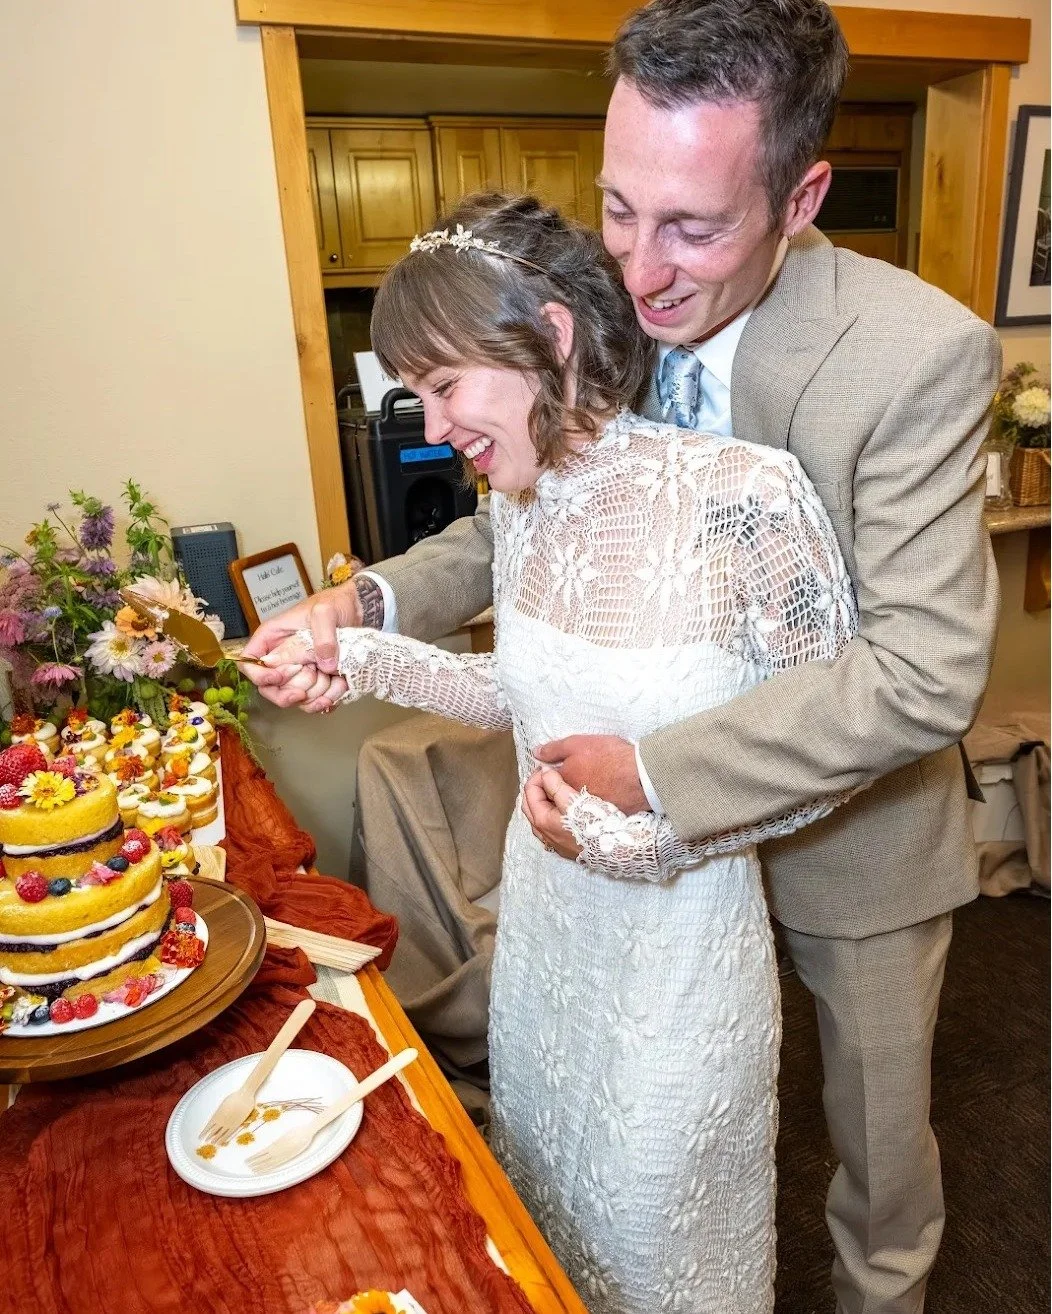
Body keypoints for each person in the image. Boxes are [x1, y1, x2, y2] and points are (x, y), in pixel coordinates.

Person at [246, 2, 1001, 1311]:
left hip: (855, 841)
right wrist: (355, 606)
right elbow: (517, 530)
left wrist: (657, 768)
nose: (643, 273)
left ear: (800, 191)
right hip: (644, 905)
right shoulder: (601, 317)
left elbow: (922, 671)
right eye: (617, 210)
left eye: (693, 227)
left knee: (876, 1176)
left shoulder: (917, 354)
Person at [261, 192, 858, 1312]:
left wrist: (631, 840)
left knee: (651, 1243)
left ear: (549, 334)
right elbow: (532, 704)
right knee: (549, 1220)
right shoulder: (525, 503)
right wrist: (364, 660)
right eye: (417, 393)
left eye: (443, 386)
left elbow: (822, 749)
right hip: (544, 939)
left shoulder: (743, 500)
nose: (434, 425)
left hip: (676, 956)